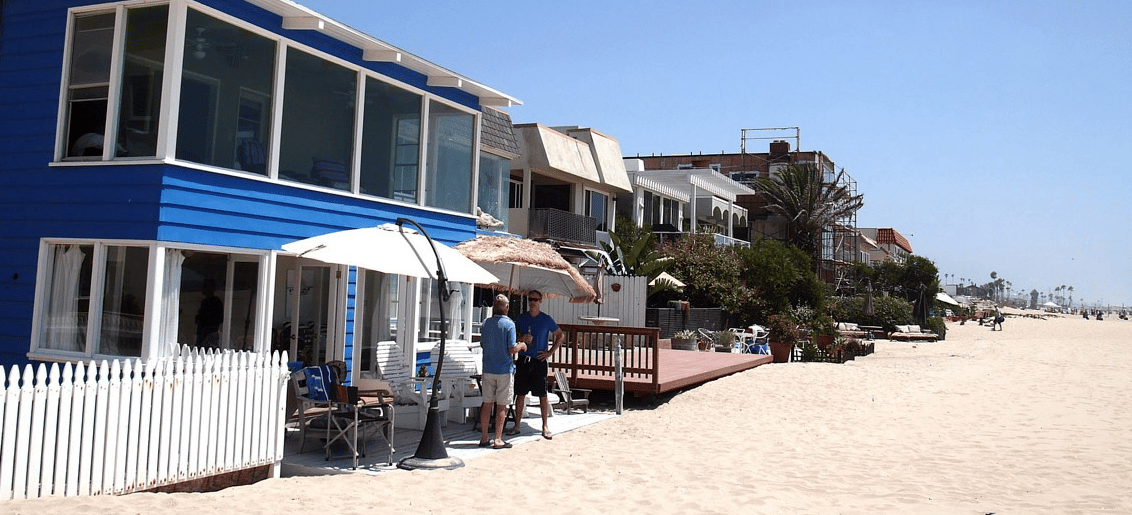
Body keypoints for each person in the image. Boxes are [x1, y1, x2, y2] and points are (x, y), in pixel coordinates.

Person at [508, 290, 564, 440]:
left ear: (540, 301)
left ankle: (545, 426)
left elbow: (560, 335)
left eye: (535, 299)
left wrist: (550, 352)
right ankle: (517, 425)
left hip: (539, 360)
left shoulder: (546, 319)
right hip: (524, 359)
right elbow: (512, 335)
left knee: (542, 395)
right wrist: (522, 337)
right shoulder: (522, 318)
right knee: (520, 393)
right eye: (530, 299)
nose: (532, 302)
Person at [478, 294, 526, 449]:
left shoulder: (486, 323)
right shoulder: (509, 324)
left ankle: (484, 437)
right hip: (504, 370)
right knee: (501, 406)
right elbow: (511, 349)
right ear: (507, 307)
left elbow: (483, 344)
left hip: (488, 368)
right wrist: (522, 345)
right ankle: (497, 439)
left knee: (487, 404)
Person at [195, 278, 224, 346]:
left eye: (205, 286)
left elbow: (219, 318)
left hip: (210, 333)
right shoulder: (205, 302)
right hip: (203, 332)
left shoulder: (215, 302)